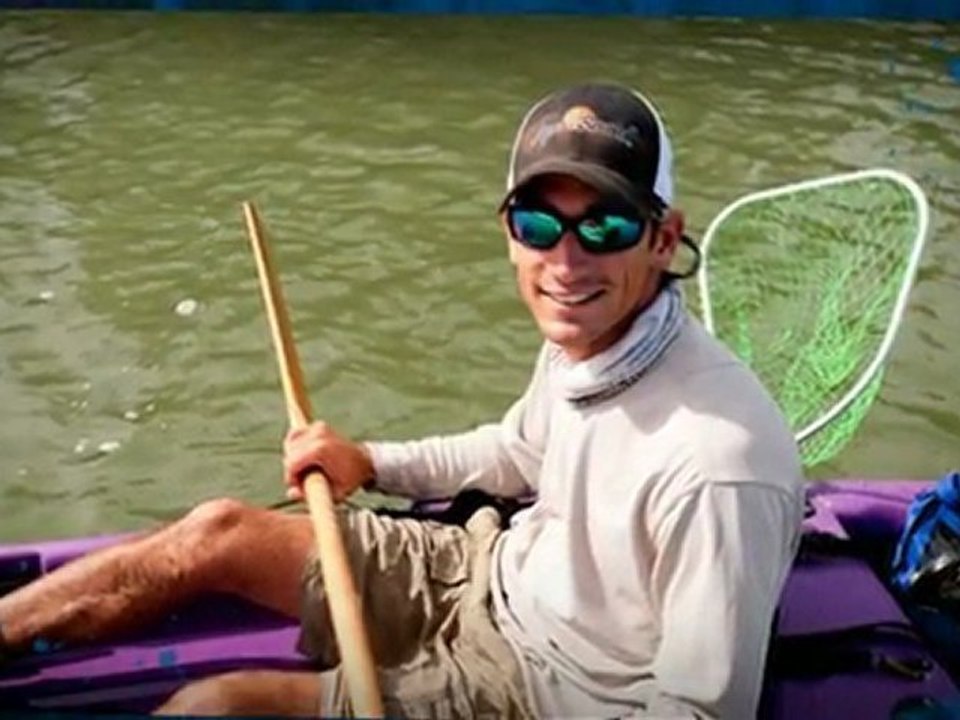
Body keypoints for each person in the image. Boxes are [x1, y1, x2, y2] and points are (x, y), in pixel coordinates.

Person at [0, 82, 804, 719]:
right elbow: (515, 451)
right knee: (216, 532)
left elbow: (700, 712)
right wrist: (367, 461)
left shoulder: (717, 463)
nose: (564, 260)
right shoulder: (591, 339)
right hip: (487, 574)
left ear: (664, 238)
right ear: (507, 231)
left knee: (215, 708)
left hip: (551, 696)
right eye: (537, 222)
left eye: (605, 227)